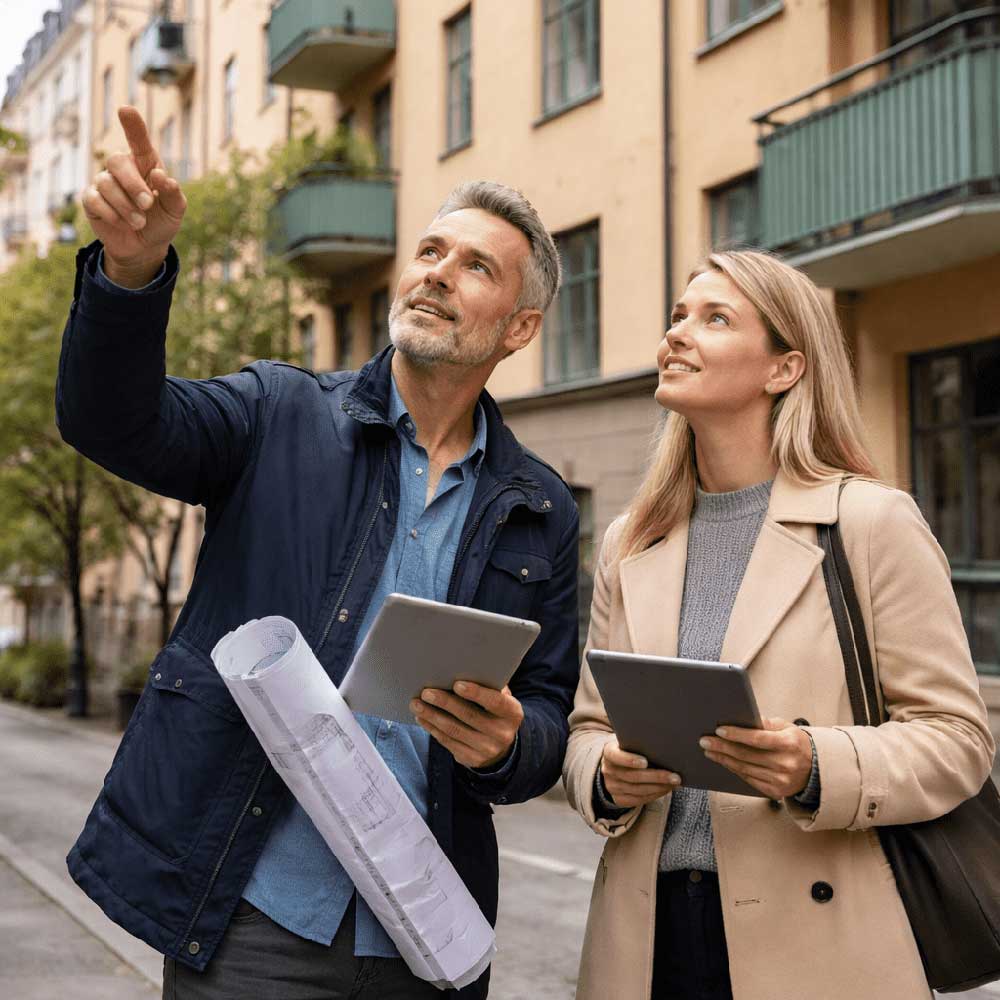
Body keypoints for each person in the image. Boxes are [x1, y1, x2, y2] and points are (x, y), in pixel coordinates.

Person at [58, 107, 580, 1000]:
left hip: (426, 940)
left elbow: (545, 721)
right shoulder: (278, 412)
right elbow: (115, 421)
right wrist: (131, 273)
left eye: (474, 266)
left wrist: (506, 743)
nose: (436, 275)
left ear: (520, 328)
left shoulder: (539, 507)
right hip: (259, 922)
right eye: (429, 252)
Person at [562, 249, 995, 1000]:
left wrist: (814, 765)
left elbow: (958, 740)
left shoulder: (868, 522)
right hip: (646, 943)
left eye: (715, 318)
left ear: (785, 369)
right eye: (677, 317)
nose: (677, 335)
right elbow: (588, 728)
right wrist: (606, 775)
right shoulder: (632, 540)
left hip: (819, 941)